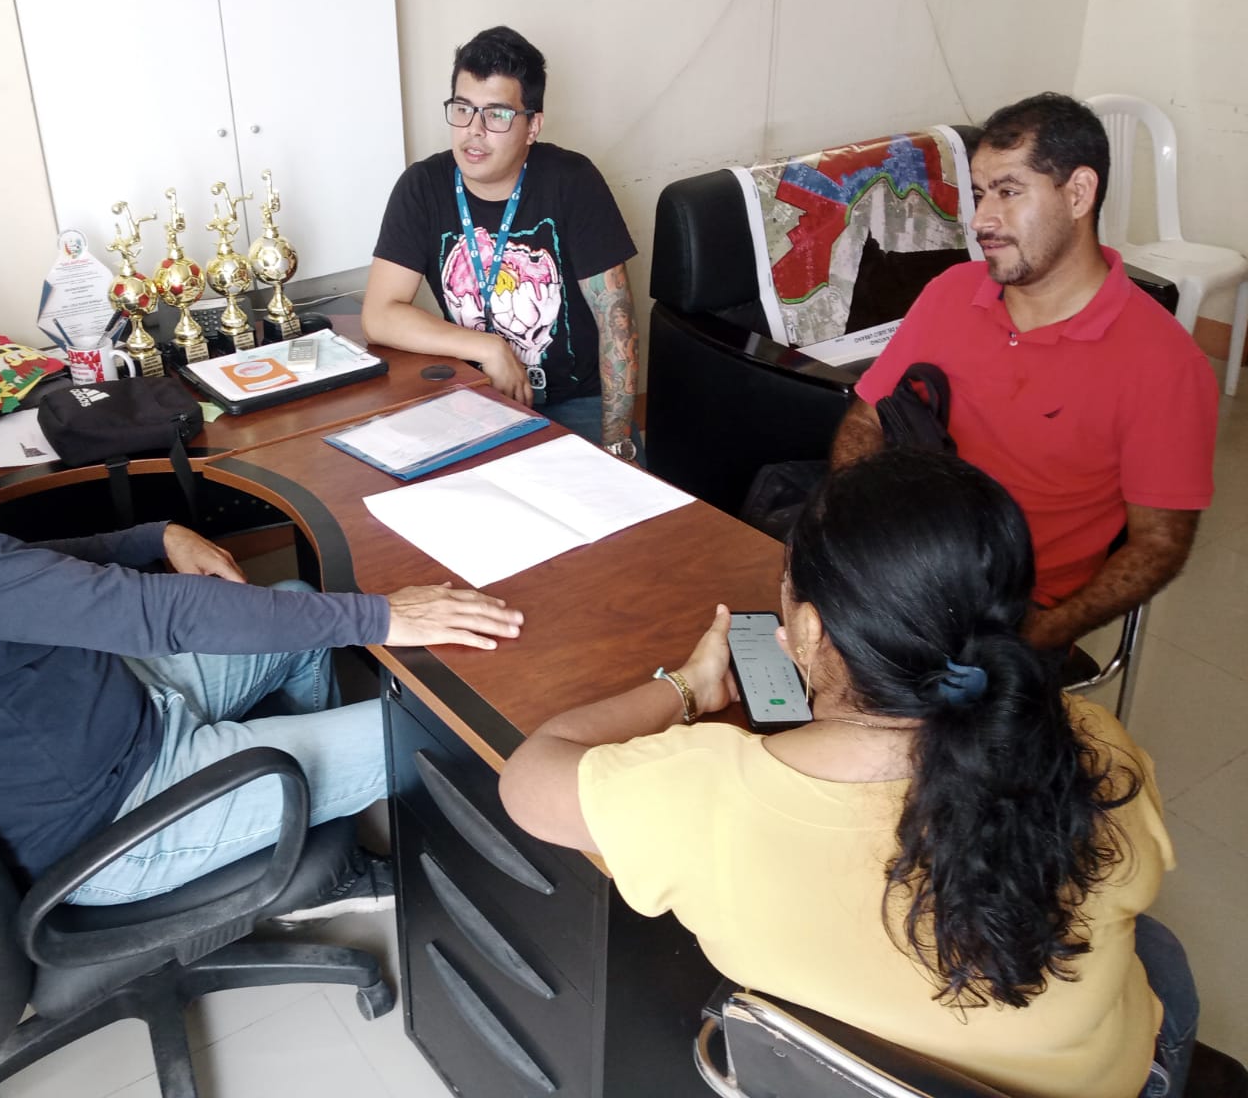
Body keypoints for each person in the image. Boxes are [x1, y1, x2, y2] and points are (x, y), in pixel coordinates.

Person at [0, 273, 524, 909]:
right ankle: (304, 845)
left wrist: (150, 535)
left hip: (118, 709)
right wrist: (384, 616)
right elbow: (152, 613)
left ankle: (303, 841)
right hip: (115, 816)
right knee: (433, 740)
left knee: (292, 606)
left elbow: (16, 570)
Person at [500, 450, 1196, 1098]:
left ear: (807, 631)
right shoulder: (1092, 744)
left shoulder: (704, 794)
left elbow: (530, 776)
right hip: (1094, 1079)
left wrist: (686, 686)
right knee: (1156, 953)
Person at [832, 92, 1217, 651]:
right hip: (897, 566)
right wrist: (857, 525)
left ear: (1078, 193)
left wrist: (1036, 636)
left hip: (1005, 612)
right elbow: (866, 420)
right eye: (980, 194)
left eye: (1009, 192)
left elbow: (1158, 545)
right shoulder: (951, 291)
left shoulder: (1166, 366)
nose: (982, 220)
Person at [361, 25, 642, 458]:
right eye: (463, 109)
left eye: (497, 114)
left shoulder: (573, 181)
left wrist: (618, 441)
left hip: (577, 403)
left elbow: (617, 324)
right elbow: (379, 315)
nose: (474, 130)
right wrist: (488, 348)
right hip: (475, 399)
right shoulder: (423, 186)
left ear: (532, 126)